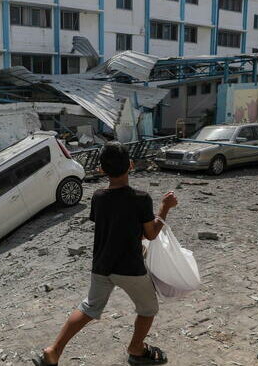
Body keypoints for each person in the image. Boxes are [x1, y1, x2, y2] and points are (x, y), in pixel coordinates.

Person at [33, 141, 178, 366]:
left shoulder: (98, 197)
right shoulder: (141, 198)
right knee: (149, 309)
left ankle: (53, 351)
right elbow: (150, 235)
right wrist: (164, 208)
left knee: (89, 308)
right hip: (130, 268)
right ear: (131, 165)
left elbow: (112, 226)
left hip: (102, 265)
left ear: (101, 170)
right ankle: (136, 349)